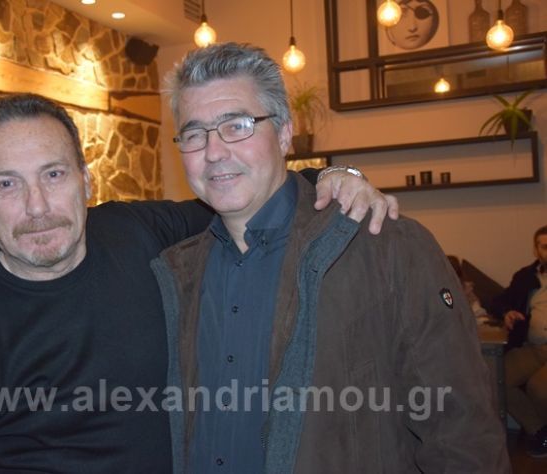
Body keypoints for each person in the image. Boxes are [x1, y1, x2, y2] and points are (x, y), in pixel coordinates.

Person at [0, 93, 397, 473]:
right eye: (7, 184)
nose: (37, 206)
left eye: (53, 175)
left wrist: (333, 176)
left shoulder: (134, 232)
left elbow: (244, 195)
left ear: (86, 180)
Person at [152, 42, 509, 473]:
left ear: (284, 132)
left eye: (237, 126)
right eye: (194, 134)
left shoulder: (386, 247)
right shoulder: (177, 272)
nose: (213, 151)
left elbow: (461, 434)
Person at [490, 224, 547, 458]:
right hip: (533, 347)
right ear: (536, 250)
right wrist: (507, 312)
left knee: (538, 389)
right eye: (544, 247)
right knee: (495, 379)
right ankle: (540, 431)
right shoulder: (525, 277)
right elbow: (498, 301)